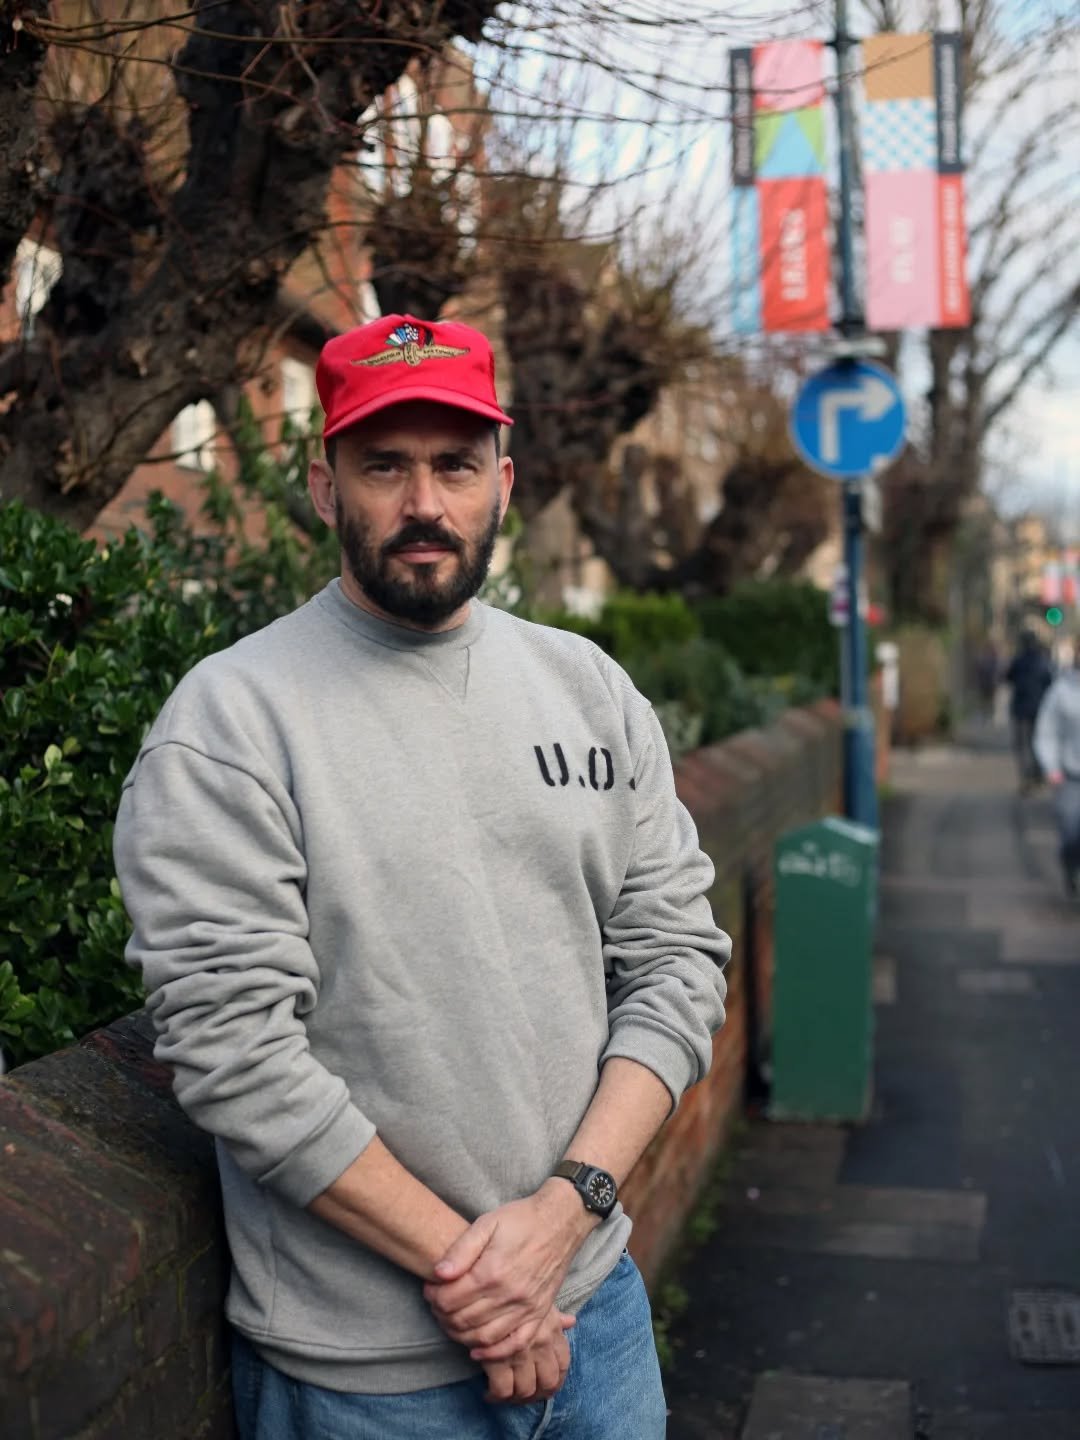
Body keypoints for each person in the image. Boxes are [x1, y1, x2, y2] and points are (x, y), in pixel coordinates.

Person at [113, 313, 730, 1440]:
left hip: (600, 1319)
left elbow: (677, 962)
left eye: (454, 464)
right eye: (383, 465)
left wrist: (565, 1218)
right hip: (362, 1383)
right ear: (322, 482)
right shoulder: (229, 724)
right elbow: (233, 1051)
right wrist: (489, 1283)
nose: (424, 504)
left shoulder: (588, 689)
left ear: (504, 476)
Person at [1033, 645, 1080, 896]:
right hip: (1071, 776)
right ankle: (1071, 866)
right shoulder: (1062, 691)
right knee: (1072, 832)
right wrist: (1051, 767)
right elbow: (1047, 731)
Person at [1004, 630, 1053, 791]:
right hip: (1039, 709)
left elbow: (1008, 677)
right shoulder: (1043, 661)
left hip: (1020, 709)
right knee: (1037, 742)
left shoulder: (1018, 661)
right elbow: (1049, 683)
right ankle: (1037, 774)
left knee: (1022, 745)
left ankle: (1026, 777)